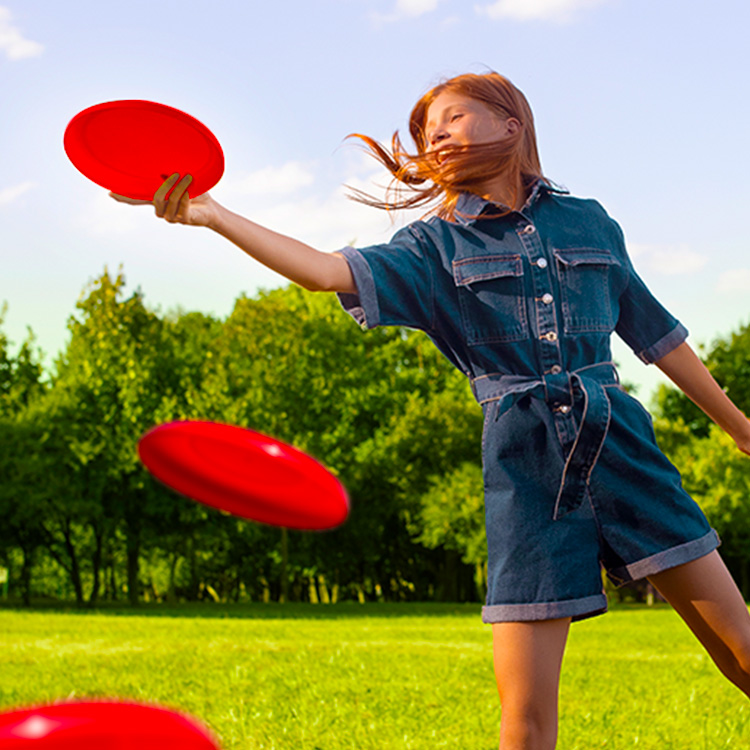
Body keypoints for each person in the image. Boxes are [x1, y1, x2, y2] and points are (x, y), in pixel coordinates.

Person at [112, 72, 750, 750]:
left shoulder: (590, 222)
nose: (435, 135)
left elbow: (658, 335)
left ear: (511, 123)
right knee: (527, 717)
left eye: (452, 117)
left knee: (741, 650)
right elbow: (324, 271)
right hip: (527, 470)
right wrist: (214, 214)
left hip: (622, 448)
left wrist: (740, 429)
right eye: (426, 131)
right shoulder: (432, 245)